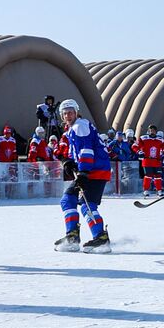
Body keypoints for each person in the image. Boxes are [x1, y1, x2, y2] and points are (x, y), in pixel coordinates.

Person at [53, 99, 112, 253]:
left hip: (95, 171)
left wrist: (83, 173)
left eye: (70, 112)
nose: (68, 115)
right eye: (65, 113)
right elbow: (76, 152)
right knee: (68, 199)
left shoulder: (80, 126)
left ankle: (100, 237)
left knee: (87, 205)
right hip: (89, 170)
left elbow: (87, 150)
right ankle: (72, 236)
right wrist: (69, 162)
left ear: (76, 113)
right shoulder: (74, 128)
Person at [133, 126, 164, 195]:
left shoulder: (160, 139)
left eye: (153, 130)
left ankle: (159, 190)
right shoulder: (143, 138)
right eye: (150, 130)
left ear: (156, 131)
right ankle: (146, 190)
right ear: (148, 131)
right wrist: (139, 152)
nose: (152, 132)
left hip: (157, 161)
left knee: (158, 176)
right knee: (148, 175)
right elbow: (134, 146)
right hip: (147, 161)